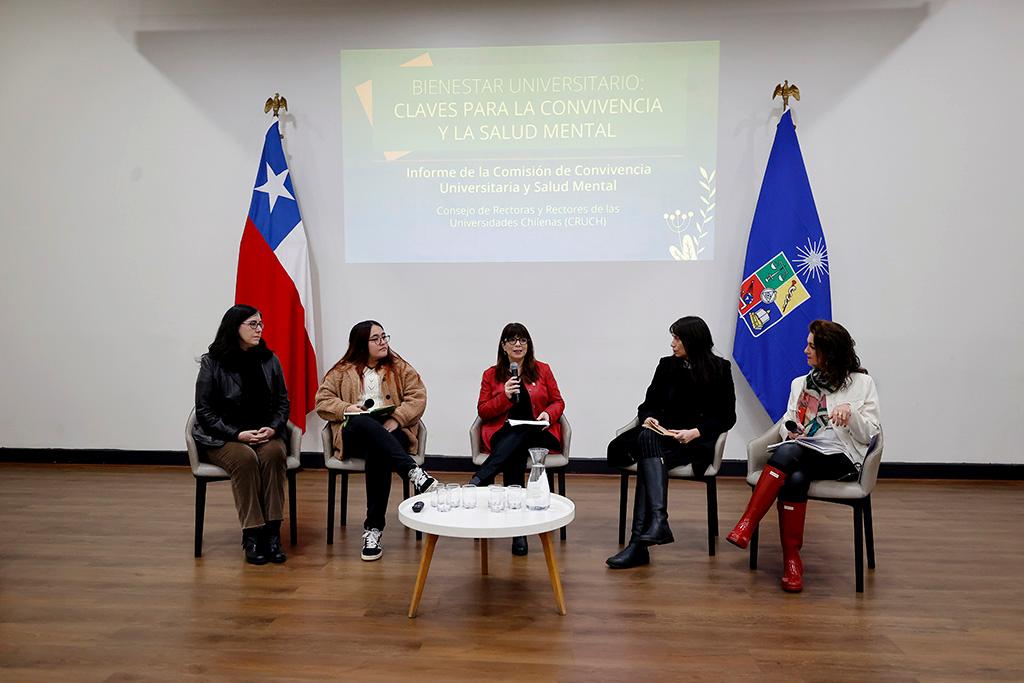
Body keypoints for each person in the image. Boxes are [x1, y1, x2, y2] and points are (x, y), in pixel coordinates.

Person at [726, 319, 880, 592]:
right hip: (804, 453)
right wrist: (792, 431)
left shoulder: (862, 383)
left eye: (811, 346)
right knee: (795, 478)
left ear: (829, 351)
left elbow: (871, 435)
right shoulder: (800, 384)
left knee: (789, 453)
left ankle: (747, 523)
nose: (805, 351)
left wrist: (851, 414)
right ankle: (792, 562)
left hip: (841, 458)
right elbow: (787, 423)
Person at [606, 316, 736, 569]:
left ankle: (639, 544)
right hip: (661, 436)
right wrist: (649, 418)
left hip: (690, 442)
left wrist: (695, 432)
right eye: (673, 337)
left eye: (677, 338)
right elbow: (648, 404)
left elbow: (726, 417)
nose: (672, 344)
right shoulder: (666, 365)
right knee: (647, 439)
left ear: (693, 340)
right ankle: (657, 522)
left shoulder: (720, 369)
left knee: (648, 458)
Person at [315, 320, 437, 561]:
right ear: (362, 343)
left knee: (378, 451)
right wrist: (347, 408)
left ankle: (373, 530)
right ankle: (413, 472)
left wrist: (397, 419)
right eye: (376, 338)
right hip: (354, 434)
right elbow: (322, 401)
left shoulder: (399, 367)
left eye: (384, 337)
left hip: (392, 432)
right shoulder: (341, 371)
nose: (383, 342)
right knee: (362, 422)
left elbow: (418, 397)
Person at [193, 304, 290, 565]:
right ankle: (252, 535)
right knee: (245, 459)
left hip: (264, 432)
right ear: (235, 327)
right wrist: (238, 434)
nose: (259, 329)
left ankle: (272, 533)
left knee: (274, 454)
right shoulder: (212, 362)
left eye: (261, 324)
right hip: (224, 437)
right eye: (253, 324)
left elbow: (283, 402)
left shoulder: (269, 359)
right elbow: (204, 412)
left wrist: (274, 428)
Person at [473, 322, 565, 556]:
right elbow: (483, 411)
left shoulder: (543, 370)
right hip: (505, 434)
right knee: (517, 444)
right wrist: (504, 396)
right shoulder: (490, 374)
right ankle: (518, 532)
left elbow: (558, 402)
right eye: (512, 340)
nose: (518, 344)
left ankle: (481, 479)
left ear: (528, 344)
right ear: (503, 346)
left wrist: (548, 414)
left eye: (522, 340)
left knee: (521, 437)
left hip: (538, 433)